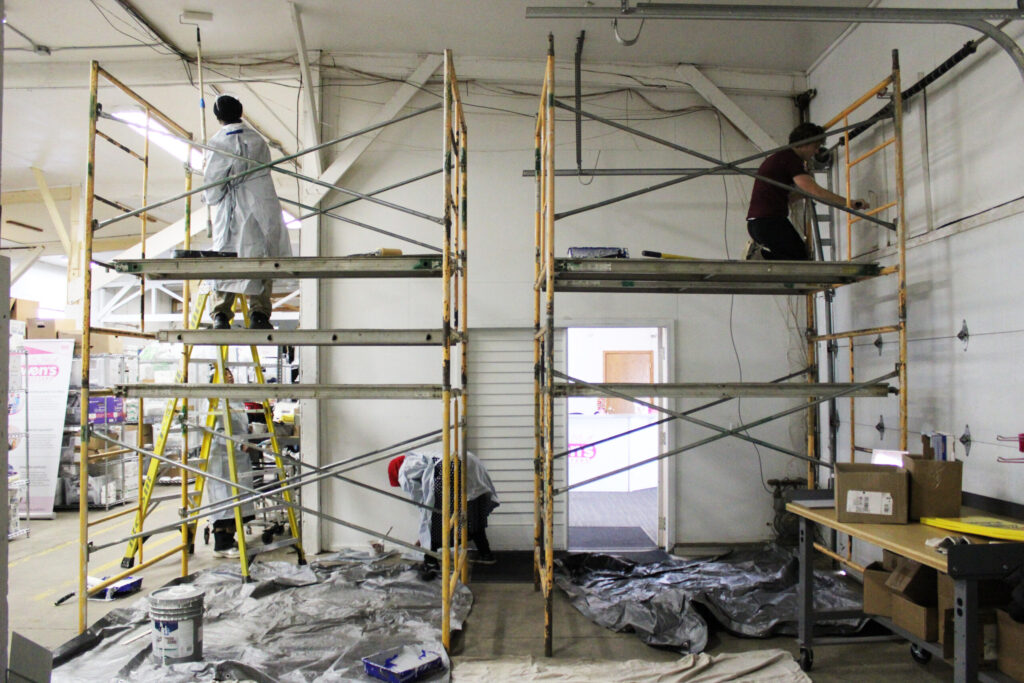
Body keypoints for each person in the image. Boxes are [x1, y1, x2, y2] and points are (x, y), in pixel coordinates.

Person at [203, 94, 292, 330]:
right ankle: (259, 315)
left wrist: (212, 196)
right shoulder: (258, 140)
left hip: (231, 209)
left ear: (218, 117)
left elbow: (212, 184)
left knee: (225, 259)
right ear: (241, 112)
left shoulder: (218, 142)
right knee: (260, 256)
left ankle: (221, 314)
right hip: (259, 205)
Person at [746, 122, 870, 260]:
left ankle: (761, 257)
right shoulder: (791, 159)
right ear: (804, 143)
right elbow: (816, 191)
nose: (816, 152)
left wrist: (804, 192)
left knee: (794, 258)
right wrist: (849, 202)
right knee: (799, 259)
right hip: (769, 222)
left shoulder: (780, 157)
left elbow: (788, 198)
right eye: (815, 146)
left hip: (758, 223)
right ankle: (760, 256)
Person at [388, 445, 499, 580]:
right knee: (471, 512)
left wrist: (424, 537)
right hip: (470, 460)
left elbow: (422, 502)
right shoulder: (421, 457)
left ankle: (431, 562)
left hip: (451, 466)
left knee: (434, 520)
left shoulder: (404, 470)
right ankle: (486, 554)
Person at [206, 367, 256, 558]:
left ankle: (230, 540)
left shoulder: (235, 399)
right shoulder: (214, 402)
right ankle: (222, 545)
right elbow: (215, 432)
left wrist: (249, 430)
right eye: (225, 376)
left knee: (238, 503)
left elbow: (239, 423)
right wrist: (238, 443)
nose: (230, 378)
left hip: (238, 459)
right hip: (223, 460)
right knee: (224, 503)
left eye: (231, 375)